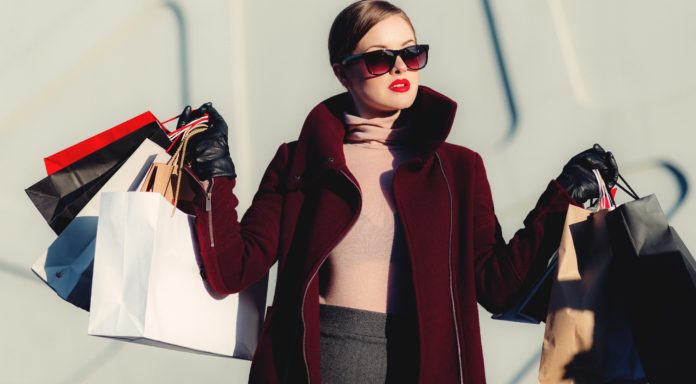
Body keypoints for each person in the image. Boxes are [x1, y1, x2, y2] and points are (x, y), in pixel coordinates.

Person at [177, 1, 619, 383]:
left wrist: (563, 196)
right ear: (342, 72)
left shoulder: (459, 168)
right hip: (321, 364)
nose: (400, 68)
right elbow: (232, 269)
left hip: (428, 366)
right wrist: (215, 173)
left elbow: (498, 287)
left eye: (412, 53)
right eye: (378, 59)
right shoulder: (301, 162)